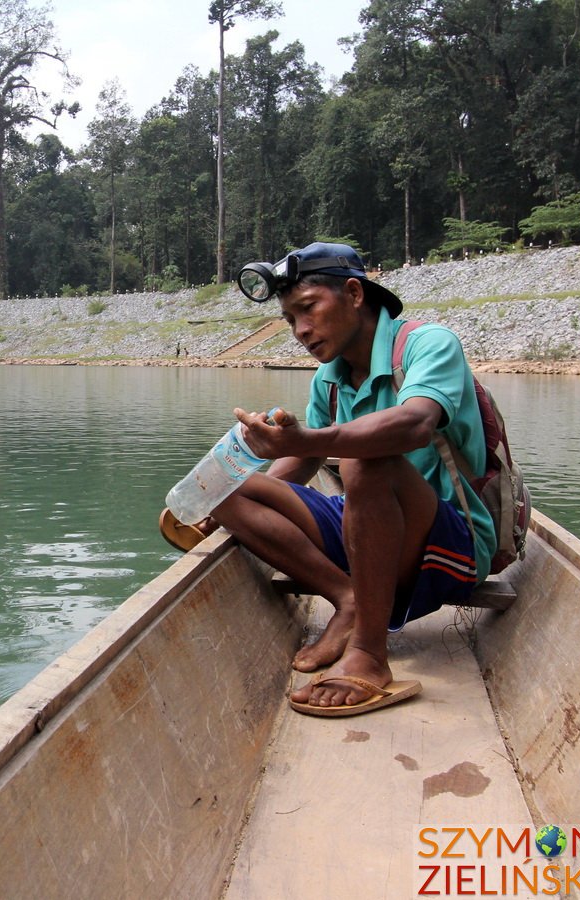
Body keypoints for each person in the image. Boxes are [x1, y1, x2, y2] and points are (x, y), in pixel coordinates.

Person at [204, 242, 496, 716]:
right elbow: (295, 472)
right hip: (370, 531)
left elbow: (415, 424)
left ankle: (370, 655)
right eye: (289, 320)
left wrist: (304, 440)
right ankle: (348, 598)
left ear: (355, 294)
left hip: (452, 544)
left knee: (366, 459)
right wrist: (211, 508)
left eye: (308, 309)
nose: (300, 330)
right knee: (220, 484)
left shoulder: (427, 344)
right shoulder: (330, 380)